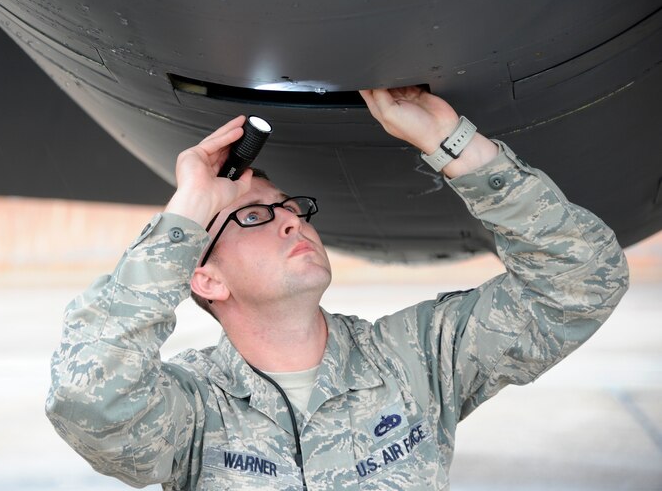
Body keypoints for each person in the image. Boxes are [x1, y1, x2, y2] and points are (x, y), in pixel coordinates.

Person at [46, 86, 629, 490]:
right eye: (252, 216)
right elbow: (87, 395)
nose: (290, 220)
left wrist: (452, 142)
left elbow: (580, 281)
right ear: (204, 278)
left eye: (289, 206)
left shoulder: (416, 361)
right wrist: (190, 208)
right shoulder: (194, 410)